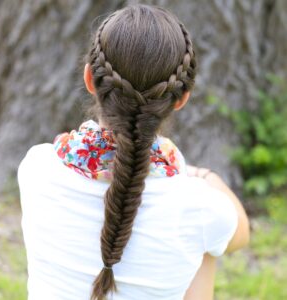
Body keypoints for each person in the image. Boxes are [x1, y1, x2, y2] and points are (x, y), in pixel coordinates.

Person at [17, 4, 250, 300]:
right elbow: (240, 235)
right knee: (206, 249)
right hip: (194, 201)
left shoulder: (37, 167)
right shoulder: (199, 206)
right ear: (181, 99)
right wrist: (204, 176)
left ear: (90, 79)